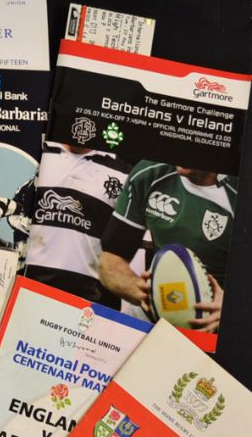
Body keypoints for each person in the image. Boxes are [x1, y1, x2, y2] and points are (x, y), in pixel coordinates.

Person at [99, 161, 233, 332]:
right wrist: (145, 293)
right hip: (157, 308)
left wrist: (233, 308)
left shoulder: (239, 190)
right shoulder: (149, 174)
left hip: (216, 323)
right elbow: (110, 261)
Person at [24, 142, 133, 308]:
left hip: (82, 302)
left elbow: (121, 248)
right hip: (23, 290)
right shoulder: (36, 151)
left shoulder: (124, 173)